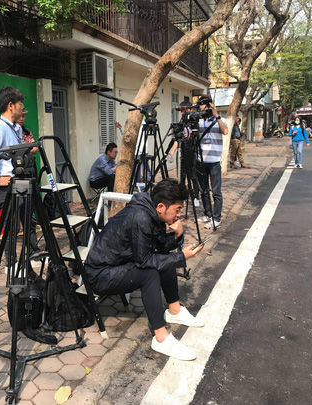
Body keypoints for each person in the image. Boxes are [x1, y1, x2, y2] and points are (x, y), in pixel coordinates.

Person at [84, 178, 204, 360]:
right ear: (161, 207)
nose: (179, 215)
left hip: (119, 265)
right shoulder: (141, 217)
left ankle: (175, 311)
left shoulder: (151, 210)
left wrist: (177, 235)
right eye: (177, 210)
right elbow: (146, 261)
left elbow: (161, 247)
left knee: (164, 259)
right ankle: (161, 338)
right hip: (100, 275)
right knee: (150, 273)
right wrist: (181, 257)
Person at [0, 86, 39, 252]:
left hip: (20, 184)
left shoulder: (15, 128)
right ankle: (11, 264)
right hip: (6, 189)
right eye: (20, 104)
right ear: (11, 105)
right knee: (11, 231)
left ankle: (33, 255)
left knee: (30, 222)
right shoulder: (0, 129)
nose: (22, 108)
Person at [195, 94, 229, 230]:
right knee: (204, 191)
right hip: (201, 160)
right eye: (201, 104)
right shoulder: (199, 122)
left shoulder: (221, 120)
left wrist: (217, 116)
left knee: (216, 192)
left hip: (214, 162)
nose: (204, 107)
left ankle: (216, 218)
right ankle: (207, 214)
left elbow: (225, 131)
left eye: (206, 104)